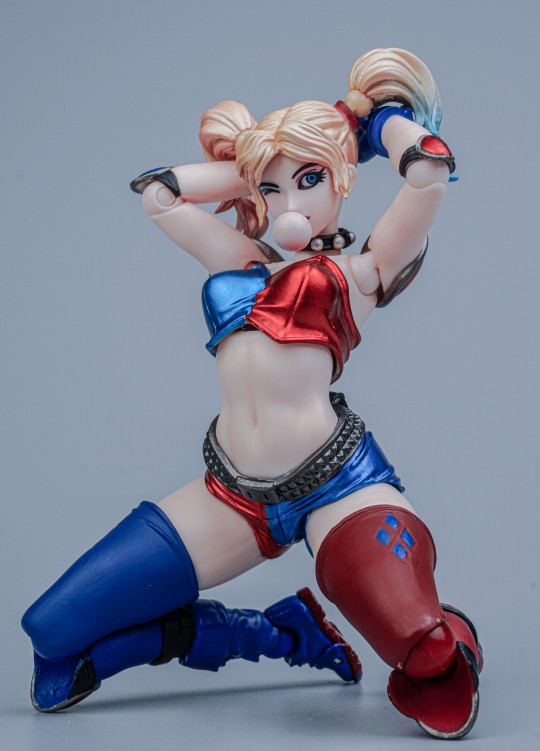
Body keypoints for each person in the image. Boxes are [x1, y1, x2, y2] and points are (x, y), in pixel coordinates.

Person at [22, 48, 482, 739]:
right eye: (272, 190)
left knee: (425, 647)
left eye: (308, 180)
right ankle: (274, 633)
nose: (288, 206)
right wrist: (254, 163)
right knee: (53, 631)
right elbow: (161, 196)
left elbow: (429, 172)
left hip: (337, 485)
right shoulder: (243, 264)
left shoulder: (360, 273)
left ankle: (446, 630)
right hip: (231, 494)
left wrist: (370, 125)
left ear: (341, 178)